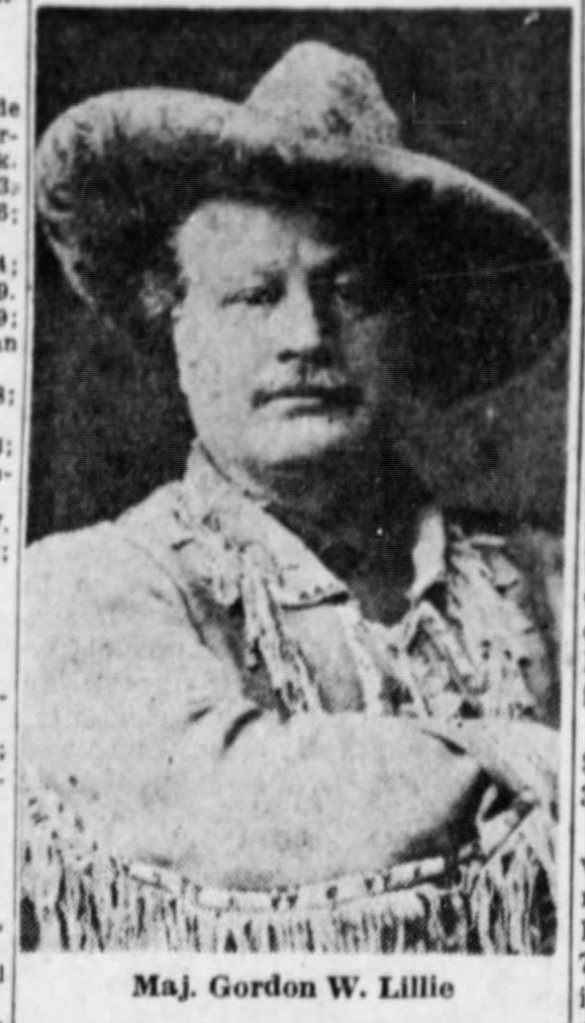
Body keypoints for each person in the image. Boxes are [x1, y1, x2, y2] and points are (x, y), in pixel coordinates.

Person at [21, 41, 568, 954]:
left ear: (411, 328)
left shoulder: (548, 584)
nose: (306, 335)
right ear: (177, 324)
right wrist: (523, 761)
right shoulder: (82, 589)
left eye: (350, 291)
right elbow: (225, 805)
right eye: (252, 295)